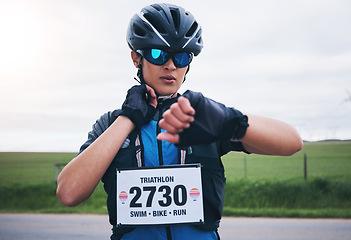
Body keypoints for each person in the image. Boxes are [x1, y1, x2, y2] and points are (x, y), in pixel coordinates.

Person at [56, 3, 303, 240]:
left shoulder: (202, 117)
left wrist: (228, 120)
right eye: (157, 53)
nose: (171, 65)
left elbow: (292, 142)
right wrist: (128, 118)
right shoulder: (111, 123)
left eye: (182, 57)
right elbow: (68, 193)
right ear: (136, 58)